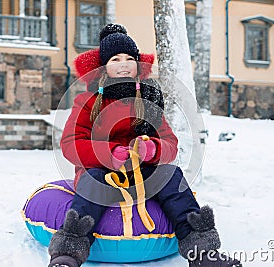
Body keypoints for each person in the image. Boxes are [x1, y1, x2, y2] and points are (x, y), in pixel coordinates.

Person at [47, 24, 241, 267]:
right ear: (104, 66)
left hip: (142, 173)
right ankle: (67, 253)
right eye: (115, 59)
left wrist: (153, 150)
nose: (124, 63)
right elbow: (70, 144)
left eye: (130, 58)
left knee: (172, 175)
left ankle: (202, 252)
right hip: (101, 170)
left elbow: (170, 143)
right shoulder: (87, 101)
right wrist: (109, 154)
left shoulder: (148, 99)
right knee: (92, 183)